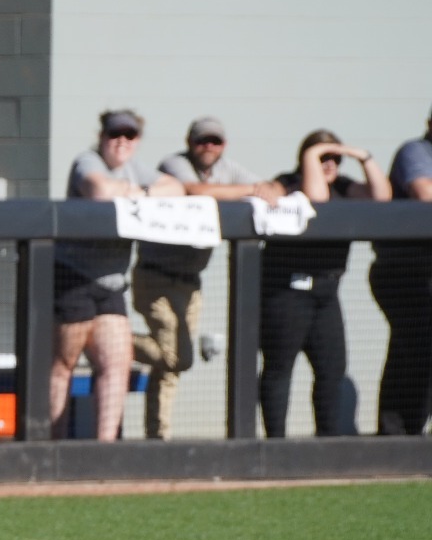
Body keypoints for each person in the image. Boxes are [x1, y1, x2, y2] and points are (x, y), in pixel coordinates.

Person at [132, 117, 270, 439]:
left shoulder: (229, 170)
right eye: (201, 140)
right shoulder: (174, 163)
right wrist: (251, 191)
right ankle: (112, 341)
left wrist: (268, 188)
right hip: (156, 277)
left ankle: (157, 437)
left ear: (224, 145)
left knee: (170, 368)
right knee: (177, 356)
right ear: (189, 141)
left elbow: (269, 188)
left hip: (191, 282)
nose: (208, 147)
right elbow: (194, 191)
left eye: (215, 141)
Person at [53, 110, 184, 441]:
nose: (121, 141)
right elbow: (97, 189)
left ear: (137, 141)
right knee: (62, 366)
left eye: (129, 135)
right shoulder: (88, 160)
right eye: (115, 134)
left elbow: (176, 188)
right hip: (73, 279)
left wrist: (136, 191)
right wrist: (135, 192)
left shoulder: (134, 170)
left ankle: (106, 451)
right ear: (102, 137)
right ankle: (50, 447)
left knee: (116, 365)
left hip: (111, 285)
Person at [260, 131, 390, 438]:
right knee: (279, 369)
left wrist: (364, 156)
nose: (330, 163)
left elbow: (383, 197)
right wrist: (312, 155)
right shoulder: (289, 182)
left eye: (335, 158)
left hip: (327, 295)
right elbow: (315, 197)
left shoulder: (345, 187)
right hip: (288, 294)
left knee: (332, 370)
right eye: (322, 157)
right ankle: (275, 446)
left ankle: (327, 444)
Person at [370, 111, 432, 436]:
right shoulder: (416, 150)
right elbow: (425, 193)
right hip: (403, 270)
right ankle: (400, 434)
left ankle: (405, 432)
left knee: (413, 349)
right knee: (416, 347)